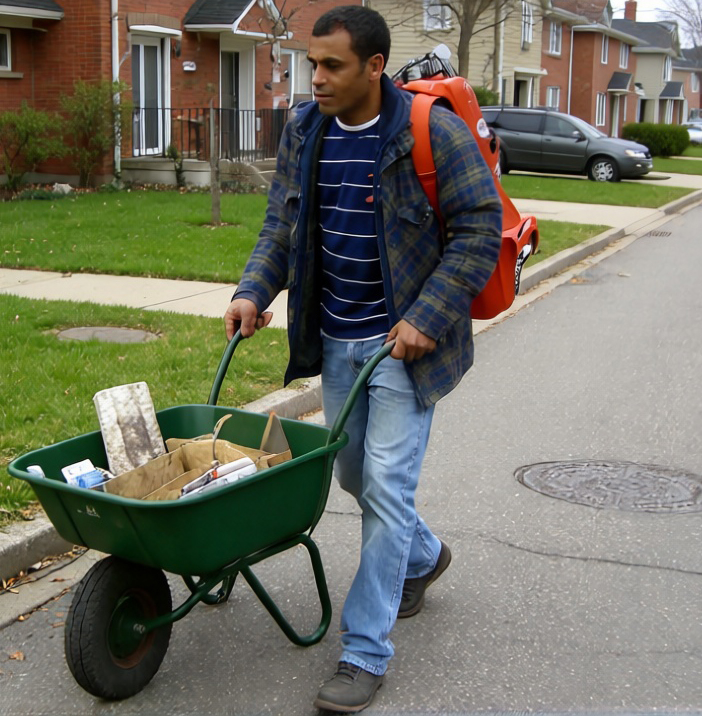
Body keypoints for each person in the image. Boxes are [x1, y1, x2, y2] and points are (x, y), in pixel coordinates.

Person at [223, 5, 502, 712]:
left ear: (374, 68)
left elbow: (478, 230)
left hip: (406, 349)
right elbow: (283, 221)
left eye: (332, 66)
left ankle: (364, 651)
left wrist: (424, 319)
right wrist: (255, 289)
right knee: (351, 472)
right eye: (312, 62)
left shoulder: (427, 132)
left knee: (383, 483)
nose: (316, 77)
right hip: (339, 344)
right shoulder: (306, 129)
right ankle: (424, 555)